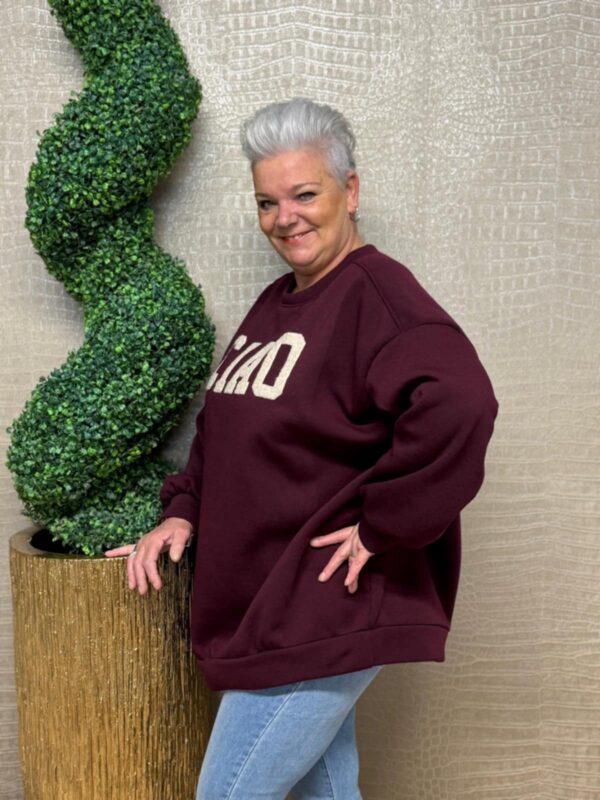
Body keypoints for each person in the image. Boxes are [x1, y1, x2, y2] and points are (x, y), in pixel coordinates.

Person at [105, 96, 499, 799]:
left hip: (319, 604)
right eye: (267, 202)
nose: (284, 217)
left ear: (351, 190)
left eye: (305, 194)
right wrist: (182, 510)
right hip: (269, 606)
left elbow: (461, 402)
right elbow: (224, 431)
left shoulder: (378, 296)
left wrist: (384, 524)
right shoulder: (274, 304)